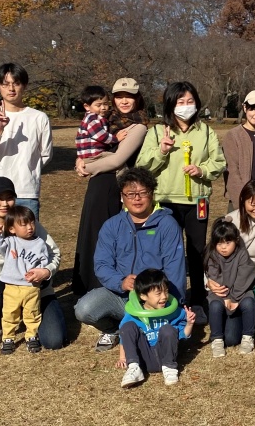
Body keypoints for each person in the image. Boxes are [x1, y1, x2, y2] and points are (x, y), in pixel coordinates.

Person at [136, 81, 226, 314]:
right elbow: (142, 166)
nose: (186, 106)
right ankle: (165, 299)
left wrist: (202, 170)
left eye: (190, 101)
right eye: (180, 101)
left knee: (197, 252)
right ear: (170, 104)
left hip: (197, 202)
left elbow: (219, 162)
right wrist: (161, 151)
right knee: (166, 252)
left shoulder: (206, 131)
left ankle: (197, 300)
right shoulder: (157, 132)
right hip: (166, 201)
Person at [73, 168, 186, 352]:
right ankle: (115, 330)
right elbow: (102, 264)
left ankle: (148, 328)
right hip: (121, 295)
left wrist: (169, 301)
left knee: (159, 341)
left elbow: (175, 269)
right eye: (130, 194)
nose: (137, 199)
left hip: (154, 297)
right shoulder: (112, 226)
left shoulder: (167, 225)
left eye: (143, 193)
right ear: (122, 197)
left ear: (152, 194)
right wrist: (121, 282)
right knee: (84, 309)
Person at [72, 77, 149, 296]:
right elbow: (91, 146)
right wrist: (81, 161)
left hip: (114, 184)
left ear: (137, 99)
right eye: (119, 96)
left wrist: (86, 166)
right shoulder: (105, 120)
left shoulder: (137, 126)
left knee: (107, 236)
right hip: (98, 183)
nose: (124, 101)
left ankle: (104, 285)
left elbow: (117, 160)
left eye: (129, 97)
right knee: (92, 232)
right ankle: (87, 284)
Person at [0, 176, 66, 353]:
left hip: (36, 289)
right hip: (8, 290)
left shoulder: (29, 226)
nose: (4, 203)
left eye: (9, 198)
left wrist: (46, 271)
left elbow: (54, 253)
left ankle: (31, 322)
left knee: (54, 340)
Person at [0, 62, 53, 220]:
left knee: (27, 235)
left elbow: (46, 154)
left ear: (24, 85)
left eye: (16, 83)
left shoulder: (39, 118)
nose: (11, 89)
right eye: (6, 84)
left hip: (26, 193)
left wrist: (27, 170)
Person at [118, 269, 195, 388]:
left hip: (165, 354)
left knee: (168, 329)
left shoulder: (173, 311)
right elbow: (124, 336)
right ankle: (134, 367)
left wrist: (189, 323)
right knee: (127, 326)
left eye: (166, 291)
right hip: (144, 358)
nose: (164, 297)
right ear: (143, 296)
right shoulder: (133, 314)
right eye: (158, 293)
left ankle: (169, 368)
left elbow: (182, 335)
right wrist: (122, 357)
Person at [0, 205, 49, 354]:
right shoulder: (10, 242)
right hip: (12, 287)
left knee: (32, 313)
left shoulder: (40, 243)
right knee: (10, 314)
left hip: (31, 287)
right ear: (12, 229)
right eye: (24, 225)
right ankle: (8, 338)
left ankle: (31, 336)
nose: (29, 227)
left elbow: (44, 261)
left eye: (32, 223)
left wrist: (38, 272)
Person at [205, 218, 255, 357]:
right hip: (221, 295)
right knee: (215, 306)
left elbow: (244, 277)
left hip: (241, 293)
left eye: (228, 243)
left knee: (248, 302)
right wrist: (226, 297)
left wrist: (234, 298)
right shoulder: (212, 255)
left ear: (236, 240)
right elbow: (216, 279)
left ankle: (248, 336)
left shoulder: (242, 254)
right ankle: (216, 339)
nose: (223, 247)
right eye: (219, 243)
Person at [75, 85, 127, 160]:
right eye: (98, 105)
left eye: (105, 104)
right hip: (92, 155)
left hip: (93, 155)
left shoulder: (98, 117)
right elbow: (100, 135)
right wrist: (116, 139)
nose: (103, 108)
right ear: (87, 106)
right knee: (118, 160)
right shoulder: (92, 118)